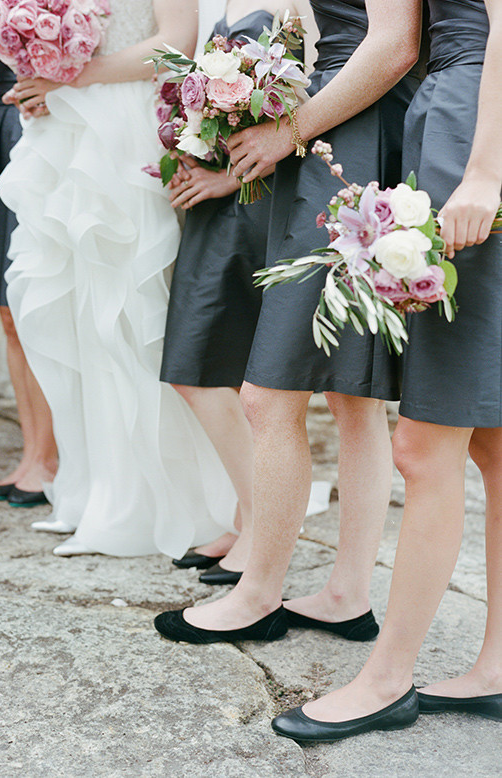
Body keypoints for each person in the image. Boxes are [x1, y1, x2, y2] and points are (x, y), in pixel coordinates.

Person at [154, 0, 424, 642]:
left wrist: (287, 131)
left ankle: (259, 594)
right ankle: (346, 593)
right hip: (353, 119)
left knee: (269, 395)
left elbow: (394, 44)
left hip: (350, 126)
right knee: (349, 392)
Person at [271, 0, 502, 743]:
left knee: (424, 443)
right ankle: (496, 667)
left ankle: (387, 678)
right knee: (491, 444)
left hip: (475, 129)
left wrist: (484, 174)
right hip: (455, 116)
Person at [0, 0, 237, 558]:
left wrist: (69, 78)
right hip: (67, 126)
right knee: (76, 311)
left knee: (126, 311)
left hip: (124, 131)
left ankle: (147, 500)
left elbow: (175, 44)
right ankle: (92, 491)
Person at [163, 0, 311, 586]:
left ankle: (263, 530)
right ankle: (248, 514)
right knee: (204, 365)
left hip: (257, 199)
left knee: (200, 367)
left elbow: (314, 104)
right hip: (221, 201)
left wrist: (233, 174)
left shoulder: (300, 7)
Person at [0, 56, 58, 508]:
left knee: (27, 307)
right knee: (6, 311)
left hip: (43, 129)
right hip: (2, 136)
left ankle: (50, 458)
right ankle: (32, 452)